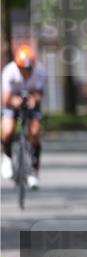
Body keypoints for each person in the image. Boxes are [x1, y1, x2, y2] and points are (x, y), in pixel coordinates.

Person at [1, 45, 47, 190]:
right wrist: (14, 102)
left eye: (29, 69)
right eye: (22, 69)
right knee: (8, 131)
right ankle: (7, 157)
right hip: (12, 101)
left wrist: (35, 100)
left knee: (34, 133)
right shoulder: (9, 72)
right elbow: (5, 99)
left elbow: (40, 93)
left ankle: (34, 171)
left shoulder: (41, 72)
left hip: (31, 100)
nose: (26, 72)